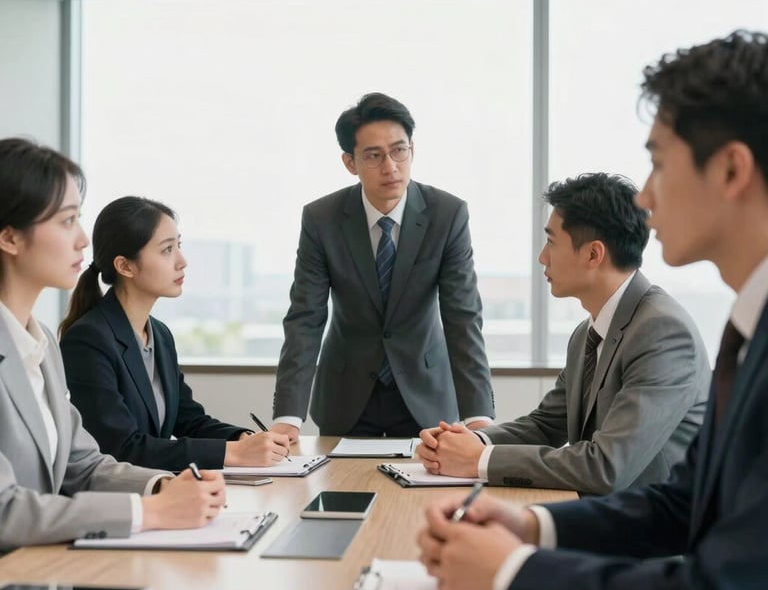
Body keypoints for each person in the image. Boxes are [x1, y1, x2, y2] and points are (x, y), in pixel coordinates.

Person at [418, 30, 768, 590]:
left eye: (659, 164)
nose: (645, 197)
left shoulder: (677, 329)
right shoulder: (744, 328)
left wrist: (512, 574)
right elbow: (680, 502)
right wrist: (531, 525)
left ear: (730, 170)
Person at [417, 173, 710, 494]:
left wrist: (480, 460)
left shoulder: (663, 333)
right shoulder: (587, 333)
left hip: (652, 534)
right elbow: (546, 425)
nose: (542, 257)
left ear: (593, 254)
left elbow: (606, 467)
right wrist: (468, 441)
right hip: (602, 516)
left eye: (552, 241)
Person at [0, 137, 226, 552]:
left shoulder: (41, 342)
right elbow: (4, 511)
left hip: (43, 585)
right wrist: (151, 512)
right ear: (11, 238)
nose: (83, 240)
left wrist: (164, 485)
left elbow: (80, 462)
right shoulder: (84, 337)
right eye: (67, 221)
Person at [272, 92, 494, 439]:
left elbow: (462, 316)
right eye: (373, 156)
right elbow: (306, 318)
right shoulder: (322, 219)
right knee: (340, 492)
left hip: (426, 397)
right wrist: (288, 415)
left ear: (412, 150)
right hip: (346, 397)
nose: (390, 166)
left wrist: (478, 415)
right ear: (350, 162)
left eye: (399, 150)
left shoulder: (447, 214)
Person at [59, 196, 291, 472]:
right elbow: (121, 448)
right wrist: (235, 453)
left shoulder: (159, 333)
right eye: (167, 250)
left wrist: (241, 438)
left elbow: (187, 419)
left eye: (178, 246)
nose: (182, 261)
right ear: (125, 266)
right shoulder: (88, 340)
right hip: (121, 500)